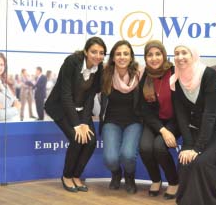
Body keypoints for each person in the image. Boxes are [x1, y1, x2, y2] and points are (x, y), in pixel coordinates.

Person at [170, 45, 216, 205]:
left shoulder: (207, 74)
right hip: (202, 129)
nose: (180, 57)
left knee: (203, 162)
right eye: (176, 53)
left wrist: (197, 148)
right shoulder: (176, 79)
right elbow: (181, 115)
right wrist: (187, 145)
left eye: (184, 52)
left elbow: (210, 114)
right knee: (185, 160)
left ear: (193, 55)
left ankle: (214, 202)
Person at [44, 37, 106, 192]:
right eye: (93, 52)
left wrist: (85, 122)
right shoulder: (72, 62)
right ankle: (66, 176)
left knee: (91, 142)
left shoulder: (99, 68)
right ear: (86, 51)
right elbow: (65, 95)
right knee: (77, 139)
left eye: (101, 53)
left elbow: (90, 97)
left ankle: (76, 175)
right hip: (60, 107)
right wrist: (77, 125)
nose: (97, 56)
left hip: (81, 109)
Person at [99, 40, 143, 194]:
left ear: (131, 57)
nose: (122, 57)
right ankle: (116, 174)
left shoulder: (140, 74)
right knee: (110, 159)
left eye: (126, 53)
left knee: (128, 155)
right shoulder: (105, 73)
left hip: (134, 122)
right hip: (111, 121)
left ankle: (130, 177)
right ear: (112, 57)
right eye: (118, 54)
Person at [138, 40, 179, 199]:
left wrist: (169, 130)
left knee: (159, 147)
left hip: (174, 121)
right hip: (155, 121)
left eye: (157, 54)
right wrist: (162, 130)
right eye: (150, 55)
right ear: (145, 57)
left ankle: (174, 181)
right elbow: (145, 110)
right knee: (145, 147)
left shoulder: (175, 72)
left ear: (163, 54)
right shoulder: (145, 76)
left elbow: (182, 105)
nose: (154, 58)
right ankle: (155, 180)